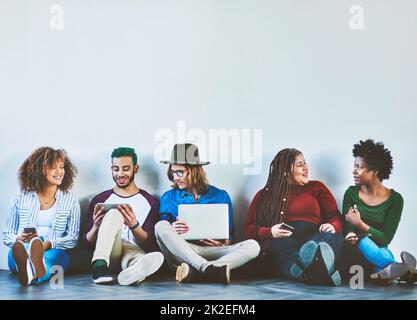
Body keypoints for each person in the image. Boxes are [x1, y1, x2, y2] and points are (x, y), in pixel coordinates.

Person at [154, 143, 260, 284]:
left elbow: (229, 237)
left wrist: (223, 244)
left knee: (253, 245)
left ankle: (198, 271)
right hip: (184, 253)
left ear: (195, 171)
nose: (175, 177)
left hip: (214, 251)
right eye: (173, 172)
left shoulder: (220, 195)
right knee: (161, 226)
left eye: (180, 172)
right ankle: (207, 269)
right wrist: (173, 230)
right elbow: (164, 238)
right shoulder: (168, 198)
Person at [245, 148, 344, 286]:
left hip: (314, 236)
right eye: (299, 165)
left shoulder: (317, 187)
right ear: (285, 170)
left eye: (305, 163)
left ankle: (317, 263)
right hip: (284, 238)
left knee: (325, 240)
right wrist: (270, 232)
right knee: (281, 247)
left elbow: (333, 215)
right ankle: (304, 268)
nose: (306, 168)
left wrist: (333, 225)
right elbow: (249, 228)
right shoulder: (264, 195)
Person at [83, 147, 164, 285]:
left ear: (136, 168)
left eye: (125, 169)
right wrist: (96, 226)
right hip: (109, 252)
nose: (120, 174)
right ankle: (99, 266)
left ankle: (133, 273)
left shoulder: (150, 202)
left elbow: (149, 243)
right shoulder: (100, 200)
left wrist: (134, 225)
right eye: (116, 169)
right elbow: (87, 243)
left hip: (134, 249)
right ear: (112, 169)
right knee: (115, 212)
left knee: (139, 259)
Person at [342, 139, 416, 284]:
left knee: (383, 254)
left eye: (359, 167)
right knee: (364, 241)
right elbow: (348, 228)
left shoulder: (395, 200)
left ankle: (387, 274)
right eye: (354, 166)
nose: (354, 170)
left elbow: (385, 238)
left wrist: (360, 223)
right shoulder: (351, 193)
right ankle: (404, 270)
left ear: (375, 171)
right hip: (354, 251)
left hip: (377, 252)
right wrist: (351, 232)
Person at [3, 147, 81, 286]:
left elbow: (73, 238)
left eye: (61, 167)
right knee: (16, 253)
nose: (59, 172)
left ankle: (30, 270)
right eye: (53, 167)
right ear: (38, 170)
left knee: (54, 258)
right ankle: (31, 269)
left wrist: (48, 244)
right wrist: (18, 238)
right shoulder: (20, 199)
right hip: (24, 247)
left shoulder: (71, 201)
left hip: (53, 250)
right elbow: (7, 235)